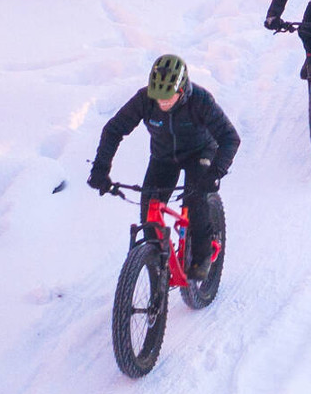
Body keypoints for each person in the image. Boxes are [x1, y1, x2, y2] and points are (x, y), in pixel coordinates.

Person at [90, 54, 238, 277]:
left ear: (182, 90)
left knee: (195, 200)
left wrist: (215, 173)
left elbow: (230, 138)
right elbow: (113, 130)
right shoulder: (144, 99)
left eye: (168, 98)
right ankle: (156, 265)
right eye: (158, 98)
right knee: (149, 211)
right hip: (164, 157)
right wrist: (100, 170)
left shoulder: (201, 100)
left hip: (200, 153)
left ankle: (203, 255)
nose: (162, 103)